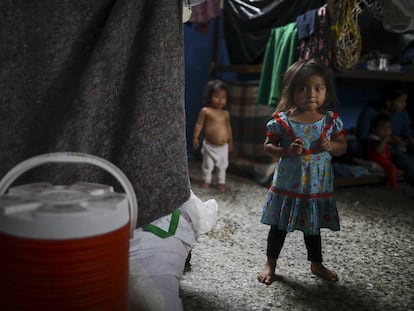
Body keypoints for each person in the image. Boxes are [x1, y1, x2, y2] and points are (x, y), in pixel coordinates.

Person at [257, 59, 347, 285]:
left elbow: (342, 147)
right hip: (288, 188)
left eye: (318, 88)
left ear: (326, 91)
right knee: (278, 227)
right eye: (303, 88)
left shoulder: (330, 122)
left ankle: (316, 264)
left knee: (313, 228)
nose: (311, 94)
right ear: (292, 91)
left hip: (316, 188)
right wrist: (285, 150)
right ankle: (270, 263)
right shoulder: (283, 121)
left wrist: (331, 146)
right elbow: (268, 147)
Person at [356, 83, 414, 186]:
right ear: (389, 102)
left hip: (397, 147)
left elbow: (406, 134)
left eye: (404, 101)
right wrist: (388, 140)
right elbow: (362, 136)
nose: (404, 104)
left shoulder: (403, 114)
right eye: (401, 101)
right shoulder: (370, 112)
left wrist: (407, 139)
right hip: (377, 147)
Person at [193, 80, 233, 192]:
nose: (220, 100)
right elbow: (199, 124)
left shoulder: (225, 113)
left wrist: (230, 142)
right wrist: (195, 137)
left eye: (223, 97)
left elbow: (228, 128)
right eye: (216, 96)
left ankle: (221, 182)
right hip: (209, 146)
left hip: (223, 146)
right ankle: (206, 180)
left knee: (223, 165)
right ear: (209, 97)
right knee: (207, 164)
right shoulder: (206, 111)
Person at [365, 113, 398, 191]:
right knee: (391, 168)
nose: (387, 131)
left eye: (389, 128)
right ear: (374, 129)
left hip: (385, 161)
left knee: (393, 167)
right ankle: (393, 186)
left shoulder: (384, 138)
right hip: (375, 160)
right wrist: (384, 140)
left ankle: (389, 181)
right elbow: (378, 150)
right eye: (383, 128)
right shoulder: (373, 138)